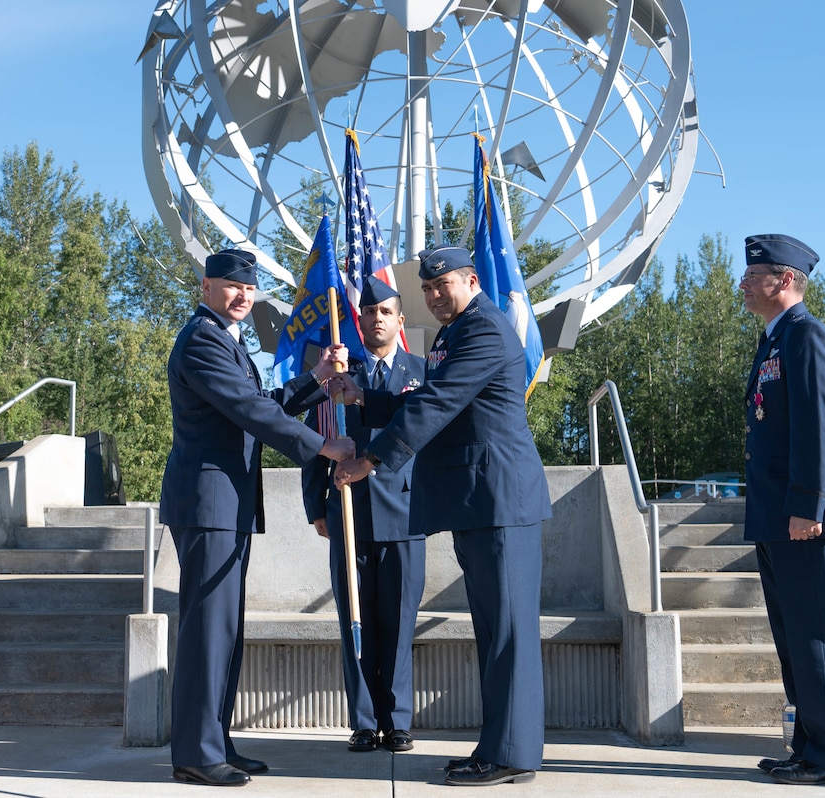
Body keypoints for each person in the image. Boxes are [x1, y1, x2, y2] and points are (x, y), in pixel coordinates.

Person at [334, 247, 551, 787]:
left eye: (443, 285)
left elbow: (438, 404)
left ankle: (510, 754)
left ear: (471, 281)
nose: (434, 296)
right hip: (480, 502)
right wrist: (365, 398)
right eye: (427, 290)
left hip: (500, 500)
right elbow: (427, 396)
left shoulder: (482, 329)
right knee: (496, 629)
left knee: (507, 632)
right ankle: (503, 748)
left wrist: (372, 458)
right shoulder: (459, 333)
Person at [161, 248, 355, 788]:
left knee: (224, 630)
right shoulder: (202, 339)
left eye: (249, 288)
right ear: (206, 287)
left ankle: (215, 741)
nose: (242, 296)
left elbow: (260, 399)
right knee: (207, 629)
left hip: (227, 504)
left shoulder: (227, 339)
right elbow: (250, 411)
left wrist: (316, 377)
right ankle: (197, 754)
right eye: (230, 286)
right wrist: (323, 447)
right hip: (208, 503)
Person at [739, 234, 825, 786]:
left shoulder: (806, 335)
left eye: (753, 273)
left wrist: (809, 505)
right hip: (777, 517)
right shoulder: (774, 342)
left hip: (804, 518)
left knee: (816, 639)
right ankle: (810, 747)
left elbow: (819, 425)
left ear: (784, 280)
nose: (743, 283)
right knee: (794, 642)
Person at [301, 275, 427, 755]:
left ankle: (395, 721)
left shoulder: (421, 373)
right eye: (369, 314)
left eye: (385, 313)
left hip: (404, 514)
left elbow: (427, 437)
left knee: (397, 620)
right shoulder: (336, 376)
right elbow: (316, 441)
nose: (376, 320)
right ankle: (363, 720)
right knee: (354, 618)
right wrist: (317, 506)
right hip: (347, 514)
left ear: (399, 320)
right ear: (360, 320)